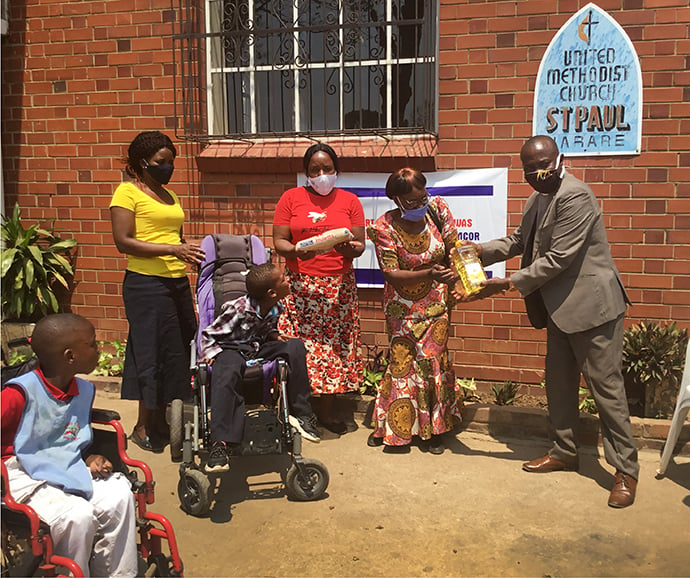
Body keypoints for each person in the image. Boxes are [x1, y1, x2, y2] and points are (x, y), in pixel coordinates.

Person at [466, 135, 639, 508]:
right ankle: (564, 451)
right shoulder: (537, 198)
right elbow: (518, 241)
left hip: (593, 311)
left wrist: (505, 284)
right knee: (559, 386)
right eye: (531, 170)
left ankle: (626, 470)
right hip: (560, 309)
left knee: (606, 392)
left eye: (545, 166)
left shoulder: (576, 196)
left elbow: (558, 257)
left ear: (560, 160)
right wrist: (477, 251)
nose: (539, 174)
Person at [1, 314, 138, 577]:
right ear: (70, 356)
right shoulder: (18, 394)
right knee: (77, 515)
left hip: (64, 462)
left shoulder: (83, 390)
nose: (99, 349)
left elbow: (66, 436)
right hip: (17, 470)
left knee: (119, 495)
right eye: (93, 344)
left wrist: (89, 457)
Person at [110, 131, 205, 453]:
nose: (168, 168)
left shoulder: (170, 196)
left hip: (176, 282)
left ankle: (165, 418)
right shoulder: (126, 193)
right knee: (149, 353)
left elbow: (174, 238)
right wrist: (172, 249)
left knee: (178, 351)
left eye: (171, 162)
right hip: (146, 285)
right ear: (143, 163)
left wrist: (187, 252)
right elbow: (123, 241)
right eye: (161, 162)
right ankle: (141, 425)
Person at [365, 168, 463, 454]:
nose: (421, 204)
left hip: (437, 306)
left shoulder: (438, 208)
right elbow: (392, 274)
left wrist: (460, 276)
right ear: (396, 199)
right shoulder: (384, 228)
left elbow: (455, 247)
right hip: (401, 309)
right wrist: (431, 272)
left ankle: (433, 430)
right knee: (402, 363)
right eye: (412, 201)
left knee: (432, 362)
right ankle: (395, 428)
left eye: (423, 196)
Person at [273, 143, 366, 435]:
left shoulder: (350, 201)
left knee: (333, 350)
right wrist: (296, 251)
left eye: (327, 169)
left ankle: (326, 413)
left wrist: (349, 248)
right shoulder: (291, 198)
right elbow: (279, 241)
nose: (322, 174)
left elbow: (360, 246)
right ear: (306, 173)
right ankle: (297, 411)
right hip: (301, 289)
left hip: (338, 288)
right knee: (301, 348)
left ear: (336, 170)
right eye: (315, 170)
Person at [199, 262, 321, 473]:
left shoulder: (276, 305)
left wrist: (274, 336)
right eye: (283, 279)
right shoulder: (237, 309)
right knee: (226, 369)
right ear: (272, 292)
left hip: (257, 347)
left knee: (295, 346)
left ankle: (301, 414)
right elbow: (209, 334)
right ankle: (220, 445)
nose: (288, 280)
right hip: (232, 348)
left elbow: (266, 329)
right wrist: (211, 354)